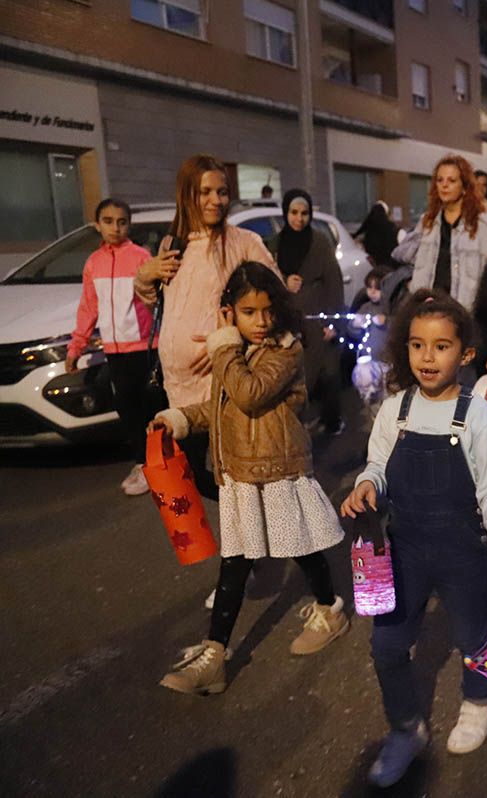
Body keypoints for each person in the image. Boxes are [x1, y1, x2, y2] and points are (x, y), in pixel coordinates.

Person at [153, 262, 348, 695]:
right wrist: (179, 419)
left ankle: (329, 609)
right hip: (241, 473)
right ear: (230, 312)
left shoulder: (284, 349)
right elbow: (221, 406)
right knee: (237, 562)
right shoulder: (234, 350)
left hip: (277, 468)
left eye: (267, 310)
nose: (261, 321)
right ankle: (215, 654)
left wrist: (223, 346)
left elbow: (249, 393)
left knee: (302, 546)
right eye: (248, 312)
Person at [341, 289, 487, 788]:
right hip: (405, 549)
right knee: (387, 645)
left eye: (441, 346)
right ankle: (405, 727)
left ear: (466, 354)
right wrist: (367, 485)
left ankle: (480, 702)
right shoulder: (395, 410)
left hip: (465, 548)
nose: (428, 357)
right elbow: (376, 464)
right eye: (417, 345)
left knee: (474, 636)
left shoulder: (477, 414)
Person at [134, 154, 279, 501]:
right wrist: (146, 276)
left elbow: (275, 302)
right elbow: (165, 306)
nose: (216, 200)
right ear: (187, 195)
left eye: (223, 192)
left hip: (221, 382)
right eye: (206, 192)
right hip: (177, 383)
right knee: (198, 476)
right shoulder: (173, 244)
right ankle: (244, 545)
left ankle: (247, 550)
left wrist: (226, 342)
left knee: (234, 479)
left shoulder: (244, 243)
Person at [67, 198, 158, 495]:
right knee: (127, 407)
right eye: (108, 221)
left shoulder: (142, 257)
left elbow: (156, 301)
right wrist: (75, 346)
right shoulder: (94, 263)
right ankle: (143, 462)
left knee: (151, 405)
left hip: (144, 346)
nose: (115, 228)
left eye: (121, 222)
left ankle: (158, 463)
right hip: (115, 349)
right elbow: (88, 308)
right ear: (97, 225)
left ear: (128, 225)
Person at [276, 188, 345, 436]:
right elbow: (267, 278)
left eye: (304, 213)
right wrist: (283, 281)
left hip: (317, 316)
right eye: (294, 212)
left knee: (327, 372)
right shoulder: (278, 242)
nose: (299, 218)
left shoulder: (319, 241)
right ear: (286, 213)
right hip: (291, 319)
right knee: (296, 374)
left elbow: (334, 282)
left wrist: (333, 322)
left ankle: (331, 421)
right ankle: (298, 424)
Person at [401, 154, 487, 309]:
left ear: (464, 187)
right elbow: (406, 256)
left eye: (451, 180)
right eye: (440, 180)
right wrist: (413, 285)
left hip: (465, 314)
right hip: (427, 310)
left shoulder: (482, 224)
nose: (444, 185)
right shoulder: (428, 221)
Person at [350, 268, 392, 413]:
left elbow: (399, 327)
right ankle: (376, 420)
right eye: (369, 288)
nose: (372, 292)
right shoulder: (365, 308)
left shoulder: (390, 309)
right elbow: (353, 332)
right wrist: (355, 325)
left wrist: (386, 322)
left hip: (387, 362)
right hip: (369, 362)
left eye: (377, 288)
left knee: (388, 397)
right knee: (372, 399)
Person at [353, 201, 401, 270]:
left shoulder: (369, 223)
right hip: (388, 257)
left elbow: (358, 232)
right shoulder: (391, 226)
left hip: (373, 256)